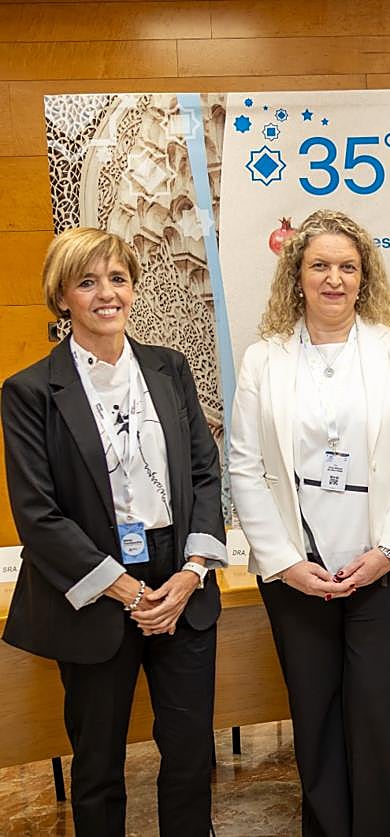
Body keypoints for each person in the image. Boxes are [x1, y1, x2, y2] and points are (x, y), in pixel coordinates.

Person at [228, 209, 390, 836]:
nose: (333, 279)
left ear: (364, 276)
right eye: (319, 266)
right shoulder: (264, 359)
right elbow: (244, 467)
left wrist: (389, 551)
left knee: (382, 717)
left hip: (386, 568)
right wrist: (284, 563)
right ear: (296, 277)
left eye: (347, 267)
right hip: (298, 572)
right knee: (316, 717)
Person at [1, 227, 226, 837]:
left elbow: (206, 474)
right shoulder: (29, 392)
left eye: (118, 279)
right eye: (88, 281)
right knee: (98, 763)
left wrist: (188, 575)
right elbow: (37, 514)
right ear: (62, 297)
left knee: (189, 754)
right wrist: (127, 592)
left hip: (180, 579)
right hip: (96, 589)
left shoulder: (169, 368)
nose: (107, 294)